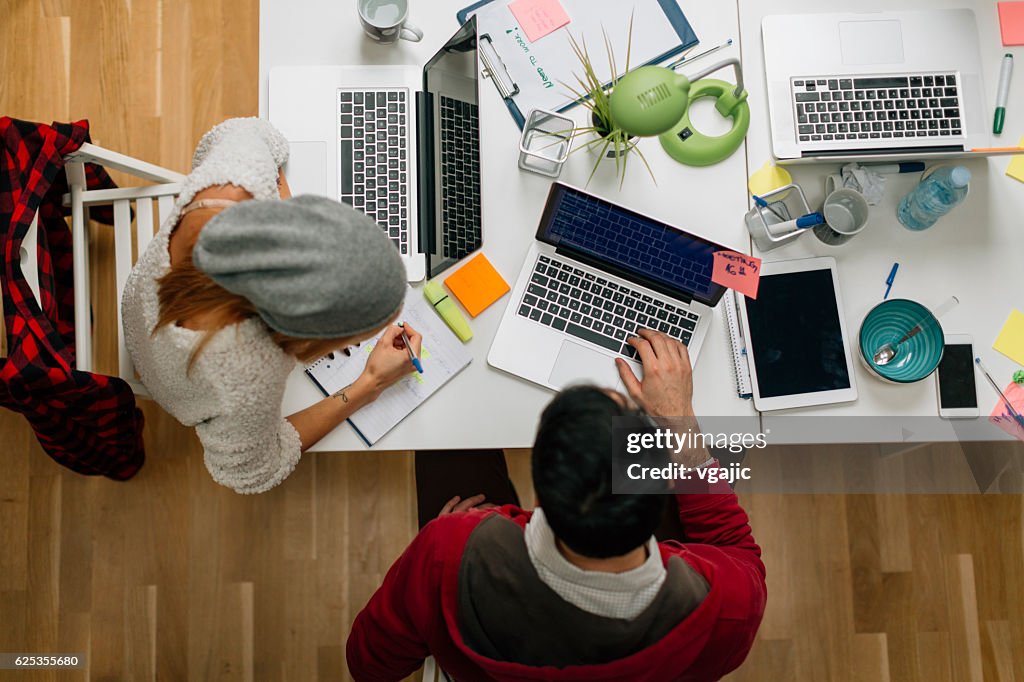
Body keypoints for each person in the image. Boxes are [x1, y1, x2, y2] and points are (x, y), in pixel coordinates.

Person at [347, 330, 767, 681]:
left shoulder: (450, 550)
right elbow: (738, 551)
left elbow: (370, 665)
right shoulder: (727, 610)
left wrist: (444, 543)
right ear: (658, 508)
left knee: (446, 443)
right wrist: (677, 422)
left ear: (537, 498)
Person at [122, 118, 421, 494]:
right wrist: (369, 384)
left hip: (142, 295)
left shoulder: (233, 184)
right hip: (169, 375)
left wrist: (286, 229)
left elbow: (255, 133)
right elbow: (250, 473)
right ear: (308, 337)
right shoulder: (247, 375)